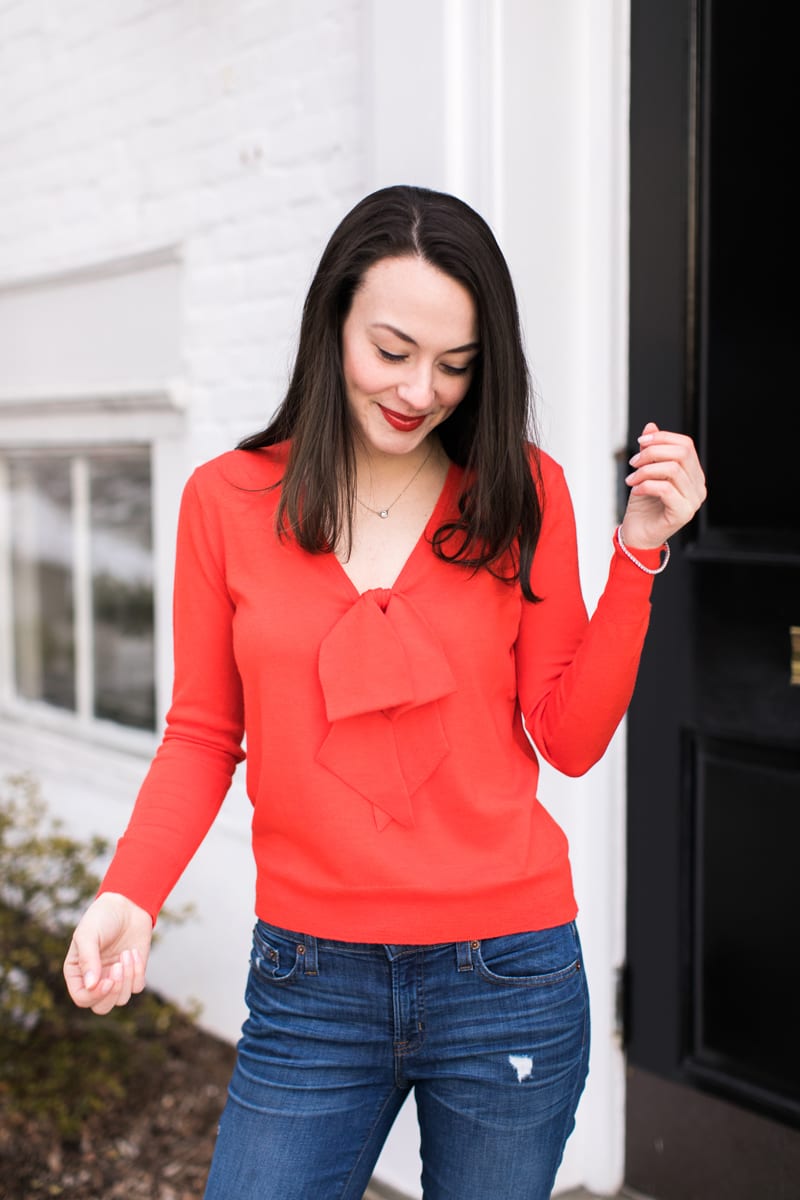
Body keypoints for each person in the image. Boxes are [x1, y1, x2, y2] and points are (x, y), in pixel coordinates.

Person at [63, 184, 706, 1200]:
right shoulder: (225, 503)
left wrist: (637, 555)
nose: (420, 390)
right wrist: (129, 894)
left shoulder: (522, 491)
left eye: (456, 364)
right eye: (392, 350)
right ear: (333, 326)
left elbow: (569, 737)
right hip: (310, 984)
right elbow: (199, 734)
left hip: (507, 977)